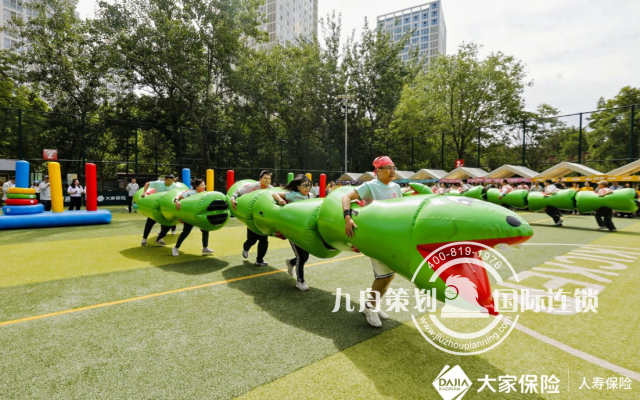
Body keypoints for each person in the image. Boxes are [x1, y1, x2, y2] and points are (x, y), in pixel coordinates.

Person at [342, 156, 402, 328]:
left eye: (393, 167)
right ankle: (370, 308)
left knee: (389, 275)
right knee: (384, 275)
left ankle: (372, 304)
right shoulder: (369, 186)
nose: (392, 171)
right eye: (388, 168)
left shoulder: (396, 187)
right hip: (376, 237)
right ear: (378, 171)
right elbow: (346, 198)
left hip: (393, 236)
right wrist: (347, 217)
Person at [272, 174, 313, 291]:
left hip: (305, 230)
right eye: (304, 185)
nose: (307, 188)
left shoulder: (311, 196)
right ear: (298, 186)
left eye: (309, 185)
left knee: (305, 256)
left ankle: (290, 263)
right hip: (293, 230)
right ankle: (300, 281)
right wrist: (280, 200)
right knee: (301, 256)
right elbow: (274, 194)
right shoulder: (293, 195)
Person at [230, 170, 273, 266]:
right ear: (260, 179)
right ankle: (246, 248)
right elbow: (238, 191)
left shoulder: (271, 189)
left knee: (264, 240)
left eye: (269, 179)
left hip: (262, 218)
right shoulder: (253, 187)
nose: (267, 180)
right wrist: (232, 198)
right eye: (265, 178)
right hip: (252, 217)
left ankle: (259, 260)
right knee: (252, 240)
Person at [171, 179, 215, 256]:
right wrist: (177, 201)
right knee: (186, 232)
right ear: (197, 186)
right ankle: (176, 248)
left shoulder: (205, 194)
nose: (204, 186)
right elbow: (178, 196)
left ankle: (205, 248)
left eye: (204, 185)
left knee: (205, 230)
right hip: (190, 216)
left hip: (200, 216)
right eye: (202, 185)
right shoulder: (190, 193)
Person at [140, 174, 177, 246]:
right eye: (168, 181)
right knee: (149, 224)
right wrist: (144, 192)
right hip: (156, 207)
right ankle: (144, 239)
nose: (170, 183)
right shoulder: (158, 183)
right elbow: (147, 183)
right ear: (165, 179)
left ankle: (159, 238)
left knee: (169, 224)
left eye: (171, 181)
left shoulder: (174, 186)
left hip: (165, 208)